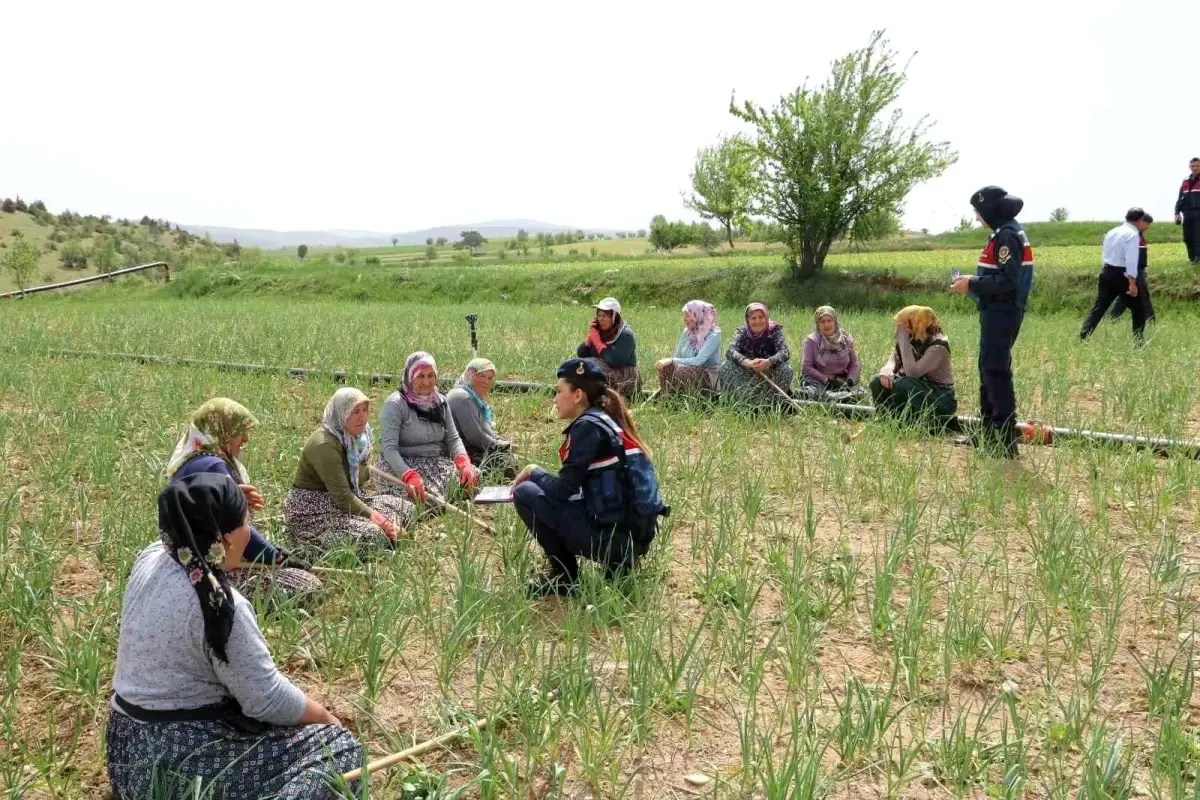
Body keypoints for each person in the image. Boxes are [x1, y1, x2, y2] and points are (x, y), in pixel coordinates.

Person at [106, 473, 361, 799]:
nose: (249, 531)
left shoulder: (154, 556)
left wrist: (218, 502)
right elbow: (267, 699)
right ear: (224, 539)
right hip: (180, 765)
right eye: (246, 524)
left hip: (127, 755)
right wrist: (326, 718)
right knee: (338, 751)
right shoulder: (221, 607)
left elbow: (185, 523)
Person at [512, 358, 666, 597]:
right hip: (632, 535)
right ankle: (617, 566)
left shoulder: (586, 428)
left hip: (617, 540)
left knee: (525, 492)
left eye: (558, 391)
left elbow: (564, 489)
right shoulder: (605, 418)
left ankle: (565, 577)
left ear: (577, 395)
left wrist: (533, 470)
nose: (554, 399)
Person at [166, 398, 320, 598]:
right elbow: (235, 527)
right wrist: (277, 557)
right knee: (307, 583)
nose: (245, 438)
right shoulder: (213, 466)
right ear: (223, 430)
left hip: (184, 553)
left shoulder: (192, 458)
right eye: (240, 431)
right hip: (211, 564)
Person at [951, 186, 1034, 458]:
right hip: (995, 311)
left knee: (996, 372)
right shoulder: (1001, 233)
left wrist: (972, 283)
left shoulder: (1008, 236)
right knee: (987, 370)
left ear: (990, 211)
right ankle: (987, 432)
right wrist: (971, 281)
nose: (976, 218)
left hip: (1003, 311)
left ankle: (1003, 439)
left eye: (978, 212)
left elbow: (1008, 281)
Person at [284, 387, 412, 556]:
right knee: (373, 535)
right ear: (341, 413)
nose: (362, 417)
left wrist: (361, 463)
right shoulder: (325, 445)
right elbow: (343, 497)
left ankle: (387, 534)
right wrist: (382, 521)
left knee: (405, 507)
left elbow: (361, 481)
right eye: (355, 411)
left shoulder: (358, 439)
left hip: (347, 500)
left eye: (365, 410)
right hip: (315, 510)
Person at [377, 352, 479, 506]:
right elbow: (389, 449)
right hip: (403, 465)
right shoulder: (395, 404)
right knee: (424, 496)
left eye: (431, 376)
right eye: (420, 376)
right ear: (410, 377)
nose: (426, 382)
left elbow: (453, 438)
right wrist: (408, 475)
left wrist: (463, 462)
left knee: (473, 476)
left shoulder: (440, 401)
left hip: (433, 463)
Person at [869, 306, 957, 431]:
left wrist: (903, 340)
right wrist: (887, 371)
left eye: (904, 323)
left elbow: (913, 373)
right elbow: (892, 361)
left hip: (940, 397)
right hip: (917, 388)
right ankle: (888, 422)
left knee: (903, 383)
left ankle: (921, 424)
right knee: (877, 381)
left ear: (919, 322)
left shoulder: (939, 345)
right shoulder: (913, 338)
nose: (900, 327)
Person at [1081, 207, 1155, 342]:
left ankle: (1084, 334)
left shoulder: (1112, 231)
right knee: (1138, 308)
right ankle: (1139, 341)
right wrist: (1132, 283)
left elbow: (1105, 253)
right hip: (1122, 274)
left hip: (1106, 271)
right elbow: (1131, 260)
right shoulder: (1133, 235)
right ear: (1139, 220)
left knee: (1100, 306)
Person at [446, 358, 518, 478]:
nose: (486, 381)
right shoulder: (462, 397)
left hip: (473, 448)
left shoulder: (475, 399)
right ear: (469, 374)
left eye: (490, 378)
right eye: (481, 376)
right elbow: (475, 436)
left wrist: (501, 442)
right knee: (505, 461)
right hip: (462, 453)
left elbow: (486, 429)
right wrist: (499, 446)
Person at [717, 302, 794, 407]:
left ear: (766, 318)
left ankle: (770, 405)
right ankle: (739, 403)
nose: (757, 321)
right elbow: (730, 351)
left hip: (769, 374)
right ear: (748, 320)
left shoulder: (775, 331)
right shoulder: (742, 332)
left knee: (786, 369)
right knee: (725, 366)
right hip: (746, 374)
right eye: (753, 318)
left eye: (761, 317)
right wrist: (748, 362)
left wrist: (768, 362)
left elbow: (784, 352)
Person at [576, 297, 641, 396]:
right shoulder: (600, 332)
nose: (601, 319)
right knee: (578, 365)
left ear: (614, 317)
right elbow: (581, 355)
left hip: (626, 377)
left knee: (592, 365)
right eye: (599, 315)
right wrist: (589, 339)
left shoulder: (626, 334)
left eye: (605, 316)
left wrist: (598, 342)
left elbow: (615, 361)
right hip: (605, 372)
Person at [656, 300, 721, 394]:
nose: (684, 319)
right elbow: (677, 356)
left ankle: (697, 400)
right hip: (687, 371)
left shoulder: (714, 335)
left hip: (708, 377)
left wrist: (672, 360)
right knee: (666, 367)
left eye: (687, 315)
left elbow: (698, 361)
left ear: (698, 315)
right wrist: (670, 363)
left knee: (682, 371)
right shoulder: (687, 332)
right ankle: (668, 398)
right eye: (684, 316)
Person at [799, 305, 862, 399]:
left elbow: (854, 364)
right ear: (817, 324)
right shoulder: (811, 340)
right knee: (813, 392)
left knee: (859, 393)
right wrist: (825, 378)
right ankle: (830, 398)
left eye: (829, 320)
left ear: (835, 321)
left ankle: (836, 398)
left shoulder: (846, 338)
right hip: (817, 380)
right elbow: (806, 367)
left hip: (840, 380)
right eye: (822, 321)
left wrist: (849, 382)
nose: (826, 324)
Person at [1175, 157, 1200, 264]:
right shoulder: (1185, 181)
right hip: (1187, 214)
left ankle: (1197, 258)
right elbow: (1180, 198)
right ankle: (1191, 258)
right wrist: (1177, 212)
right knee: (1187, 237)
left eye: (1197, 166)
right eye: (1192, 166)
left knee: (1198, 237)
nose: (1194, 168)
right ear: (1189, 167)